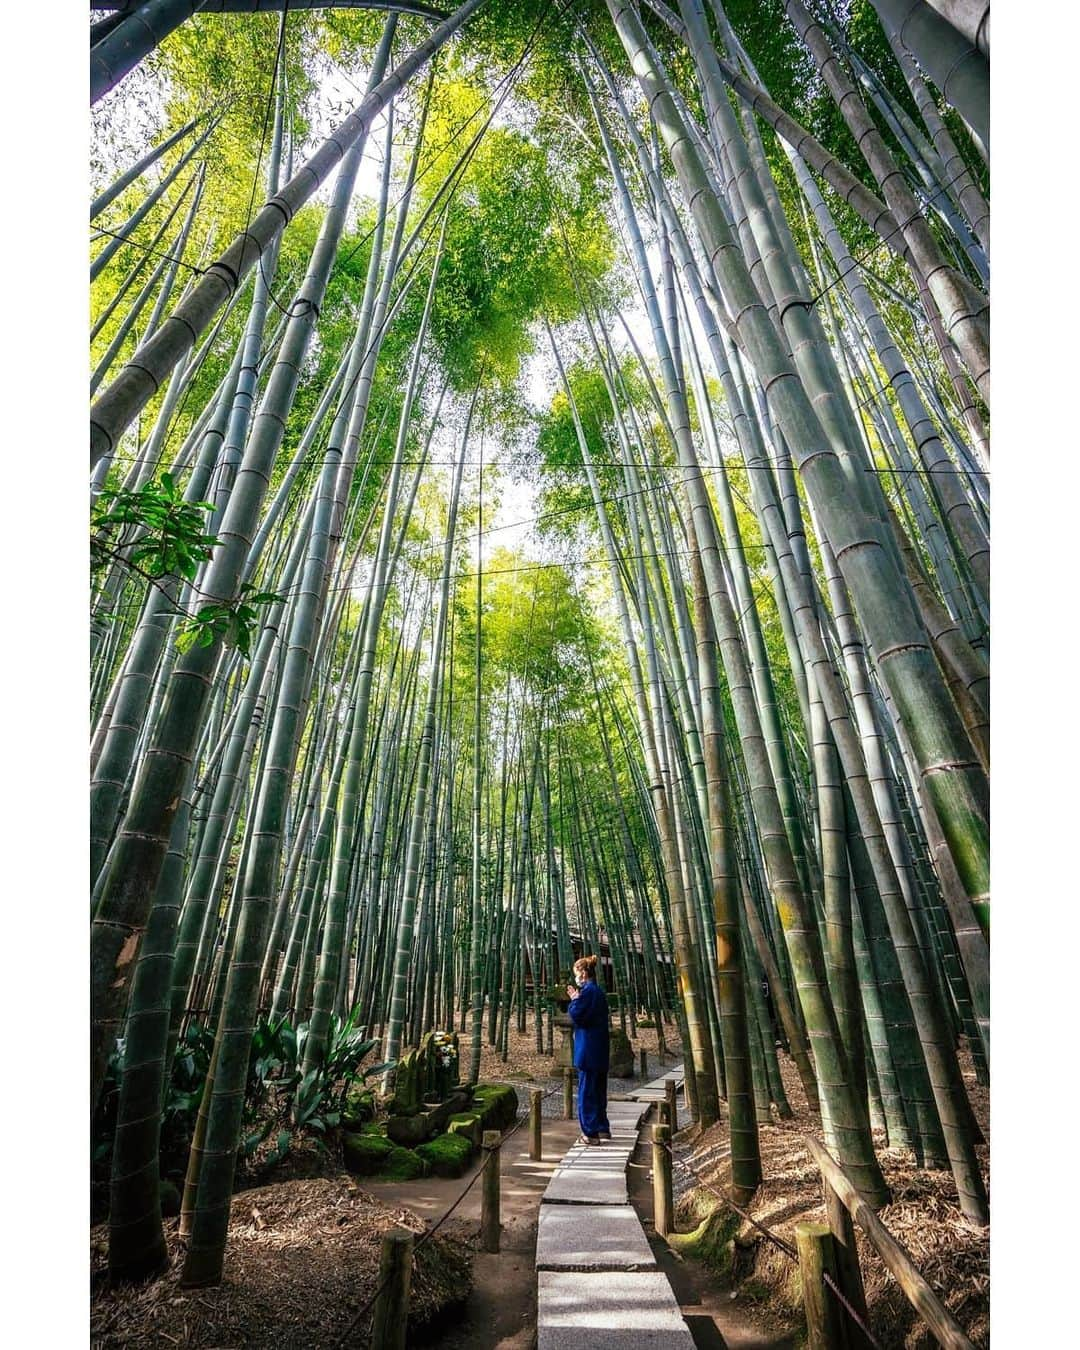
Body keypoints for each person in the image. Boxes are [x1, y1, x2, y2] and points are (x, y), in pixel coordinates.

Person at [566, 954, 611, 1145]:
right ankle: (602, 1128)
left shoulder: (587, 992)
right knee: (599, 1090)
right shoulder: (599, 992)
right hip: (600, 1047)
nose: (576, 978)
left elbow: (578, 1015)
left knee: (586, 1092)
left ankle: (590, 1133)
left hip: (587, 1049)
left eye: (577, 973)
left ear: (583, 973)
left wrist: (574, 999)